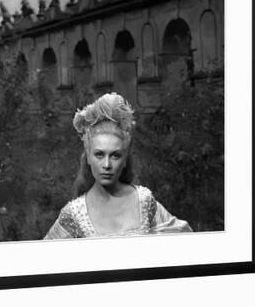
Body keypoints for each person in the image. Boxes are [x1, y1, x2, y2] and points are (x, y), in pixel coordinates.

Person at [44, 92, 192, 239]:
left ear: (125, 159)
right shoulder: (73, 214)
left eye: (115, 155)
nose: (107, 165)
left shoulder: (144, 201)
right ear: (88, 157)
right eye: (99, 155)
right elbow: (43, 256)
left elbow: (184, 240)